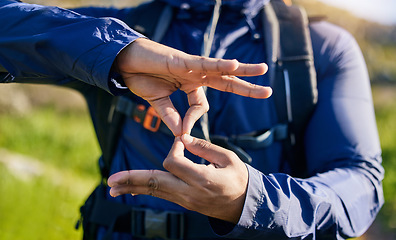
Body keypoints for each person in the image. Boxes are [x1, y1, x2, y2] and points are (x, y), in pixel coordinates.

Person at [0, 0, 384, 239]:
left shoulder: (320, 49)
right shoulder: (116, 28)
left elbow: (360, 182)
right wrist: (114, 51)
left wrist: (255, 201)